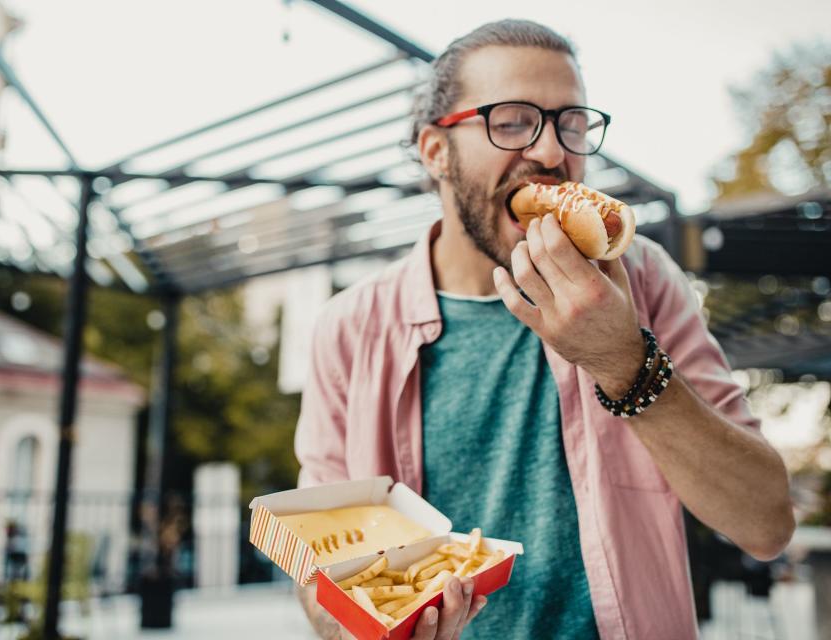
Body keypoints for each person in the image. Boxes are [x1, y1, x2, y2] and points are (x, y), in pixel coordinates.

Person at [294, 19, 794, 640]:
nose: (554, 154)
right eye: (511, 121)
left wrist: (624, 361)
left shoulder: (642, 280)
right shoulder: (351, 327)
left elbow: (765, 522)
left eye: (572, 124)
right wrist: (350, 622)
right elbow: (320, 563)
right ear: (434, 150)